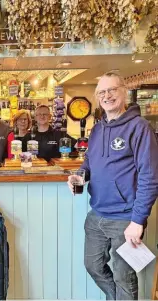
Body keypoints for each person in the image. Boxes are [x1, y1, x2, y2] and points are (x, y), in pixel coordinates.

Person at [67, 72, 158, 300]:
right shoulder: (98, 129)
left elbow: (150, 176)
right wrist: (79, 175)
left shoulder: (140, 127)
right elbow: (90, 161)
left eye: (112, 90)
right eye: (101, 92)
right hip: (97, 214)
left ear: (123, 92)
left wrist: (137, 221)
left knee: (123, 277)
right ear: (98, 98)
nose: (107, 96)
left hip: (125, 218)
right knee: (93, 266)